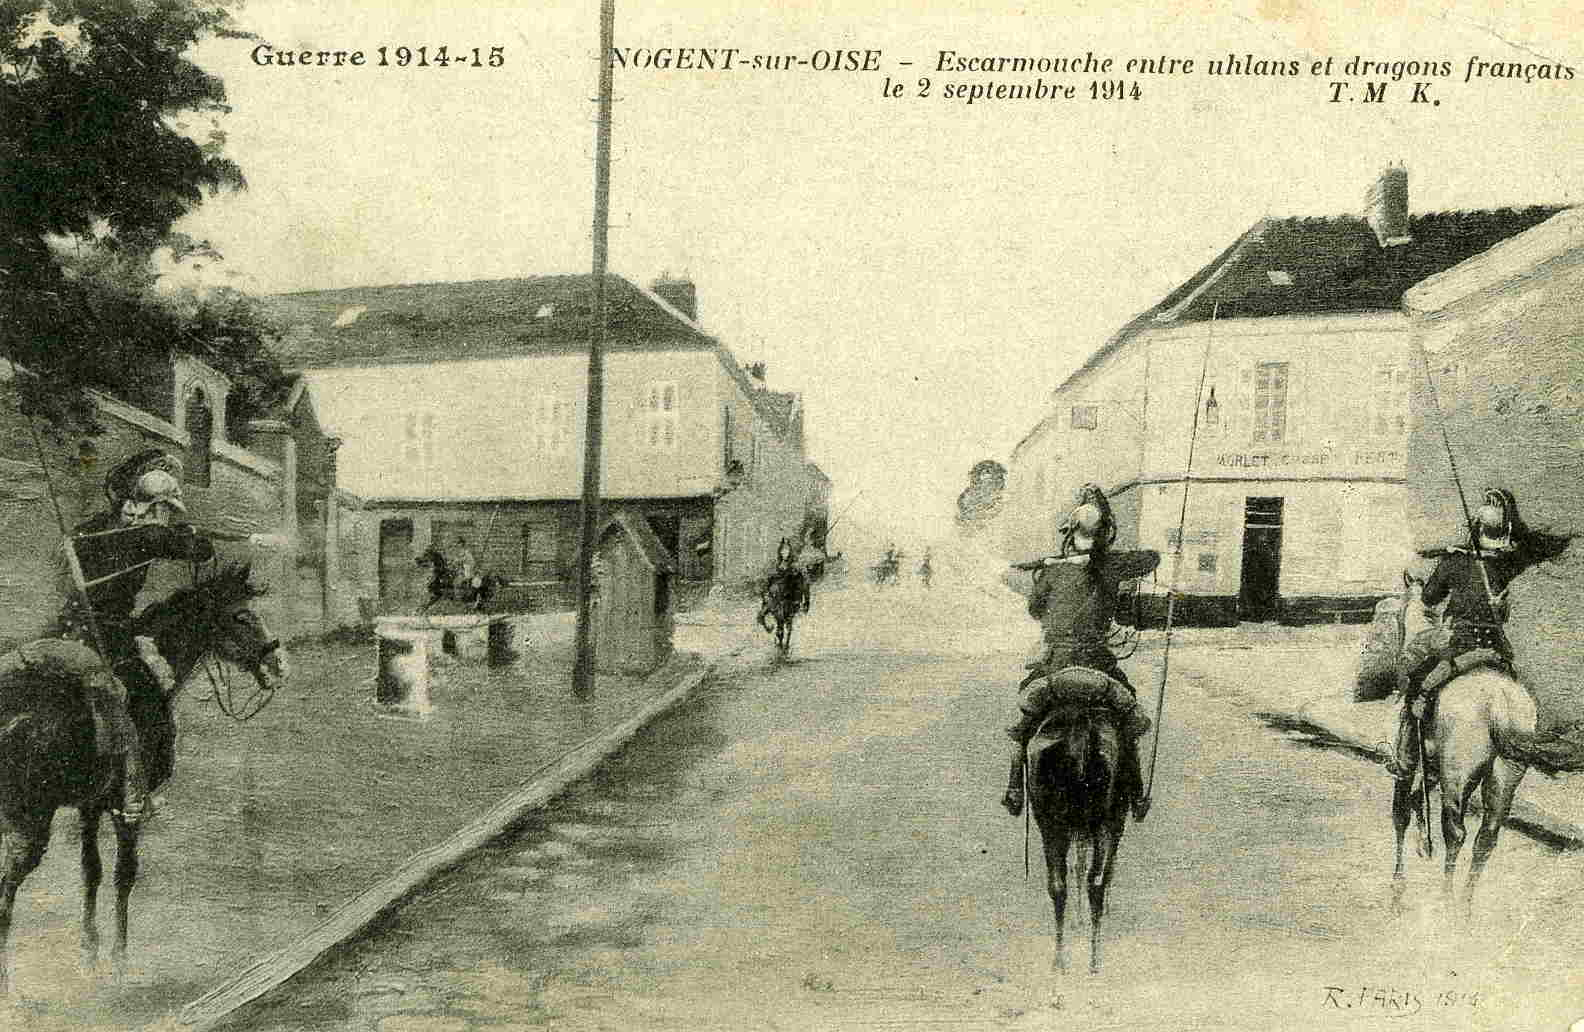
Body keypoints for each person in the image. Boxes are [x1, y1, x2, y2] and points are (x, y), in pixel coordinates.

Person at [34, 449, 215, 824]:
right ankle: (134, 795)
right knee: (147, 703)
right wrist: (185, 533)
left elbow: (60, 565)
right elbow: (201, 550)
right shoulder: (146, 536)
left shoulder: (90, 528)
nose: (164, 515)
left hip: (66, 628)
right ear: (146, 506)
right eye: (163, 508)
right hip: (107, 637)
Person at [1387, 488, 1569, 781]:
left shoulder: (1455, 561)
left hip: (1462, 646)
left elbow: (1430, 599)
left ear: (1476, 525)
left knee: (1417, 686)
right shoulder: (1512, 562)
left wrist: (1422, 589)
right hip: (1498, 651)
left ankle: (1405, 761)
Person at [1002, 484, 1160, 821]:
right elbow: (1152, 558)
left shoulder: (1054, 568)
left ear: (1070, 532)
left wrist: (1069, 569)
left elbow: (1035, 609)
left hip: (1054, 662)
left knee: (1024, 723)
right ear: (1105, 533)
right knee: (1129, 722)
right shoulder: (1113, 564)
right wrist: (1101, 562)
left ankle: (1014, 787)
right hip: (1097, 663)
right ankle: (1134, 795)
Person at [758, 538, 810, 631]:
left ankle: (793, 613)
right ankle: (765, 619)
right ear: (780, 552)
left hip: (789, 593)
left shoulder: (794, 565)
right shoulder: (775, 564)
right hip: (775, 593)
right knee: (764, 608)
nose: (784, 553)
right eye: (783, 551)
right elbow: (768, 579)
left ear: (790, 552)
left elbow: (800, 581)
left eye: (786, 551)